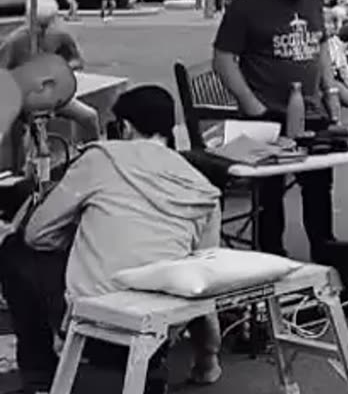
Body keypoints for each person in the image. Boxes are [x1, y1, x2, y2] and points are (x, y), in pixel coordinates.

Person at [1, 85, 222, 394]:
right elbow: (206, 276)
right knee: (188, 270)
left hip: (96, 325)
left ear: (125, 127)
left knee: (16, 250)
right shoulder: (203, 187)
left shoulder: (102, 159)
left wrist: (75, 240)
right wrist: (208, 357)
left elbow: (38, 233)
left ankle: (39, 379)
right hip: (161, 329)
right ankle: (159, 366)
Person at [212, 0, 341, 261]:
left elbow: (321, 47)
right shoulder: (246, 7)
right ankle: (272, 257)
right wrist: (252, 104)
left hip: (311, 110)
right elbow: (223, 59)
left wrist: (332, 91)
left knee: (319, 185)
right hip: (267, 113)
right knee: (269, 193)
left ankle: (325, 251)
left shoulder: (311, 1)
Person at [0, 9, 100, 141]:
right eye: (39, 25)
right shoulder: (14, 41)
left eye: (46, 25)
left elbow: (77, 60)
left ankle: (91, 154)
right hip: (23, 98)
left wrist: (62, 69)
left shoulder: (61, 36)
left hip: (53, 96)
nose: (42, 30)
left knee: (89, 117)